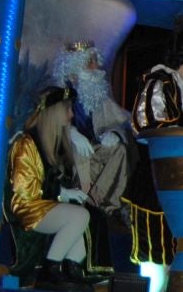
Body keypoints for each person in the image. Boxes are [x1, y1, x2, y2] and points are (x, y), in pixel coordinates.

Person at [6, 86, 98, 291]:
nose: (72, 115)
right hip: (29, 207)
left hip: (47, 204)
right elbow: (24, 190)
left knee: (92, 216)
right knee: (78, 216)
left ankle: (70, 268)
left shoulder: (56, 144)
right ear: (55, 112)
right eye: (67, 109)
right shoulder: (27, 143)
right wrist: (60, 192)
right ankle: (50, 269)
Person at [47, 40, 132, 214]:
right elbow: (46, 124)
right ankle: (94, 203)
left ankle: (100, 203)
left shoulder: (98, 96)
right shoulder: (59, 94)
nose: (96, 68)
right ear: (73, 72)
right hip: (67, 157)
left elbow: (122, 119)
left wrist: (113, 132)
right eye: (89, 63)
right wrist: (70, 132)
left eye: (95, 61)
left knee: (119, 149)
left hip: (93, 154)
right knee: (82, 156)